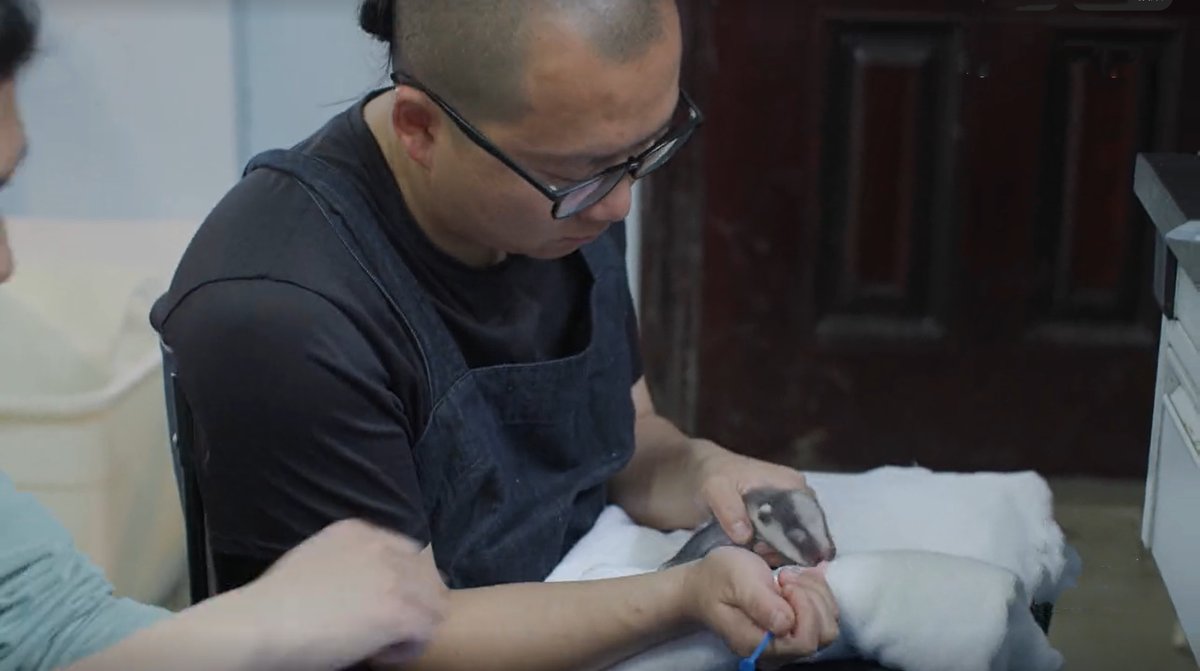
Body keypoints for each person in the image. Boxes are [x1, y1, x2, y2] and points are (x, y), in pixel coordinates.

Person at [150, 0, 840, 668]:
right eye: (585, 171)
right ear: (419, 129)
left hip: (578, 579)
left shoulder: (572, 182)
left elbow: (624, 439)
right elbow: (398, 639)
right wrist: (683, 595)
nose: (620, 202)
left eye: (646, 150)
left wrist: (703, 470)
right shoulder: (278, 314)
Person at [0, 1, 447, 669]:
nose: (5, 262)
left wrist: (269, 618)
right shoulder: (271, 305)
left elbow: (47, 626)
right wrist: (265, 618)